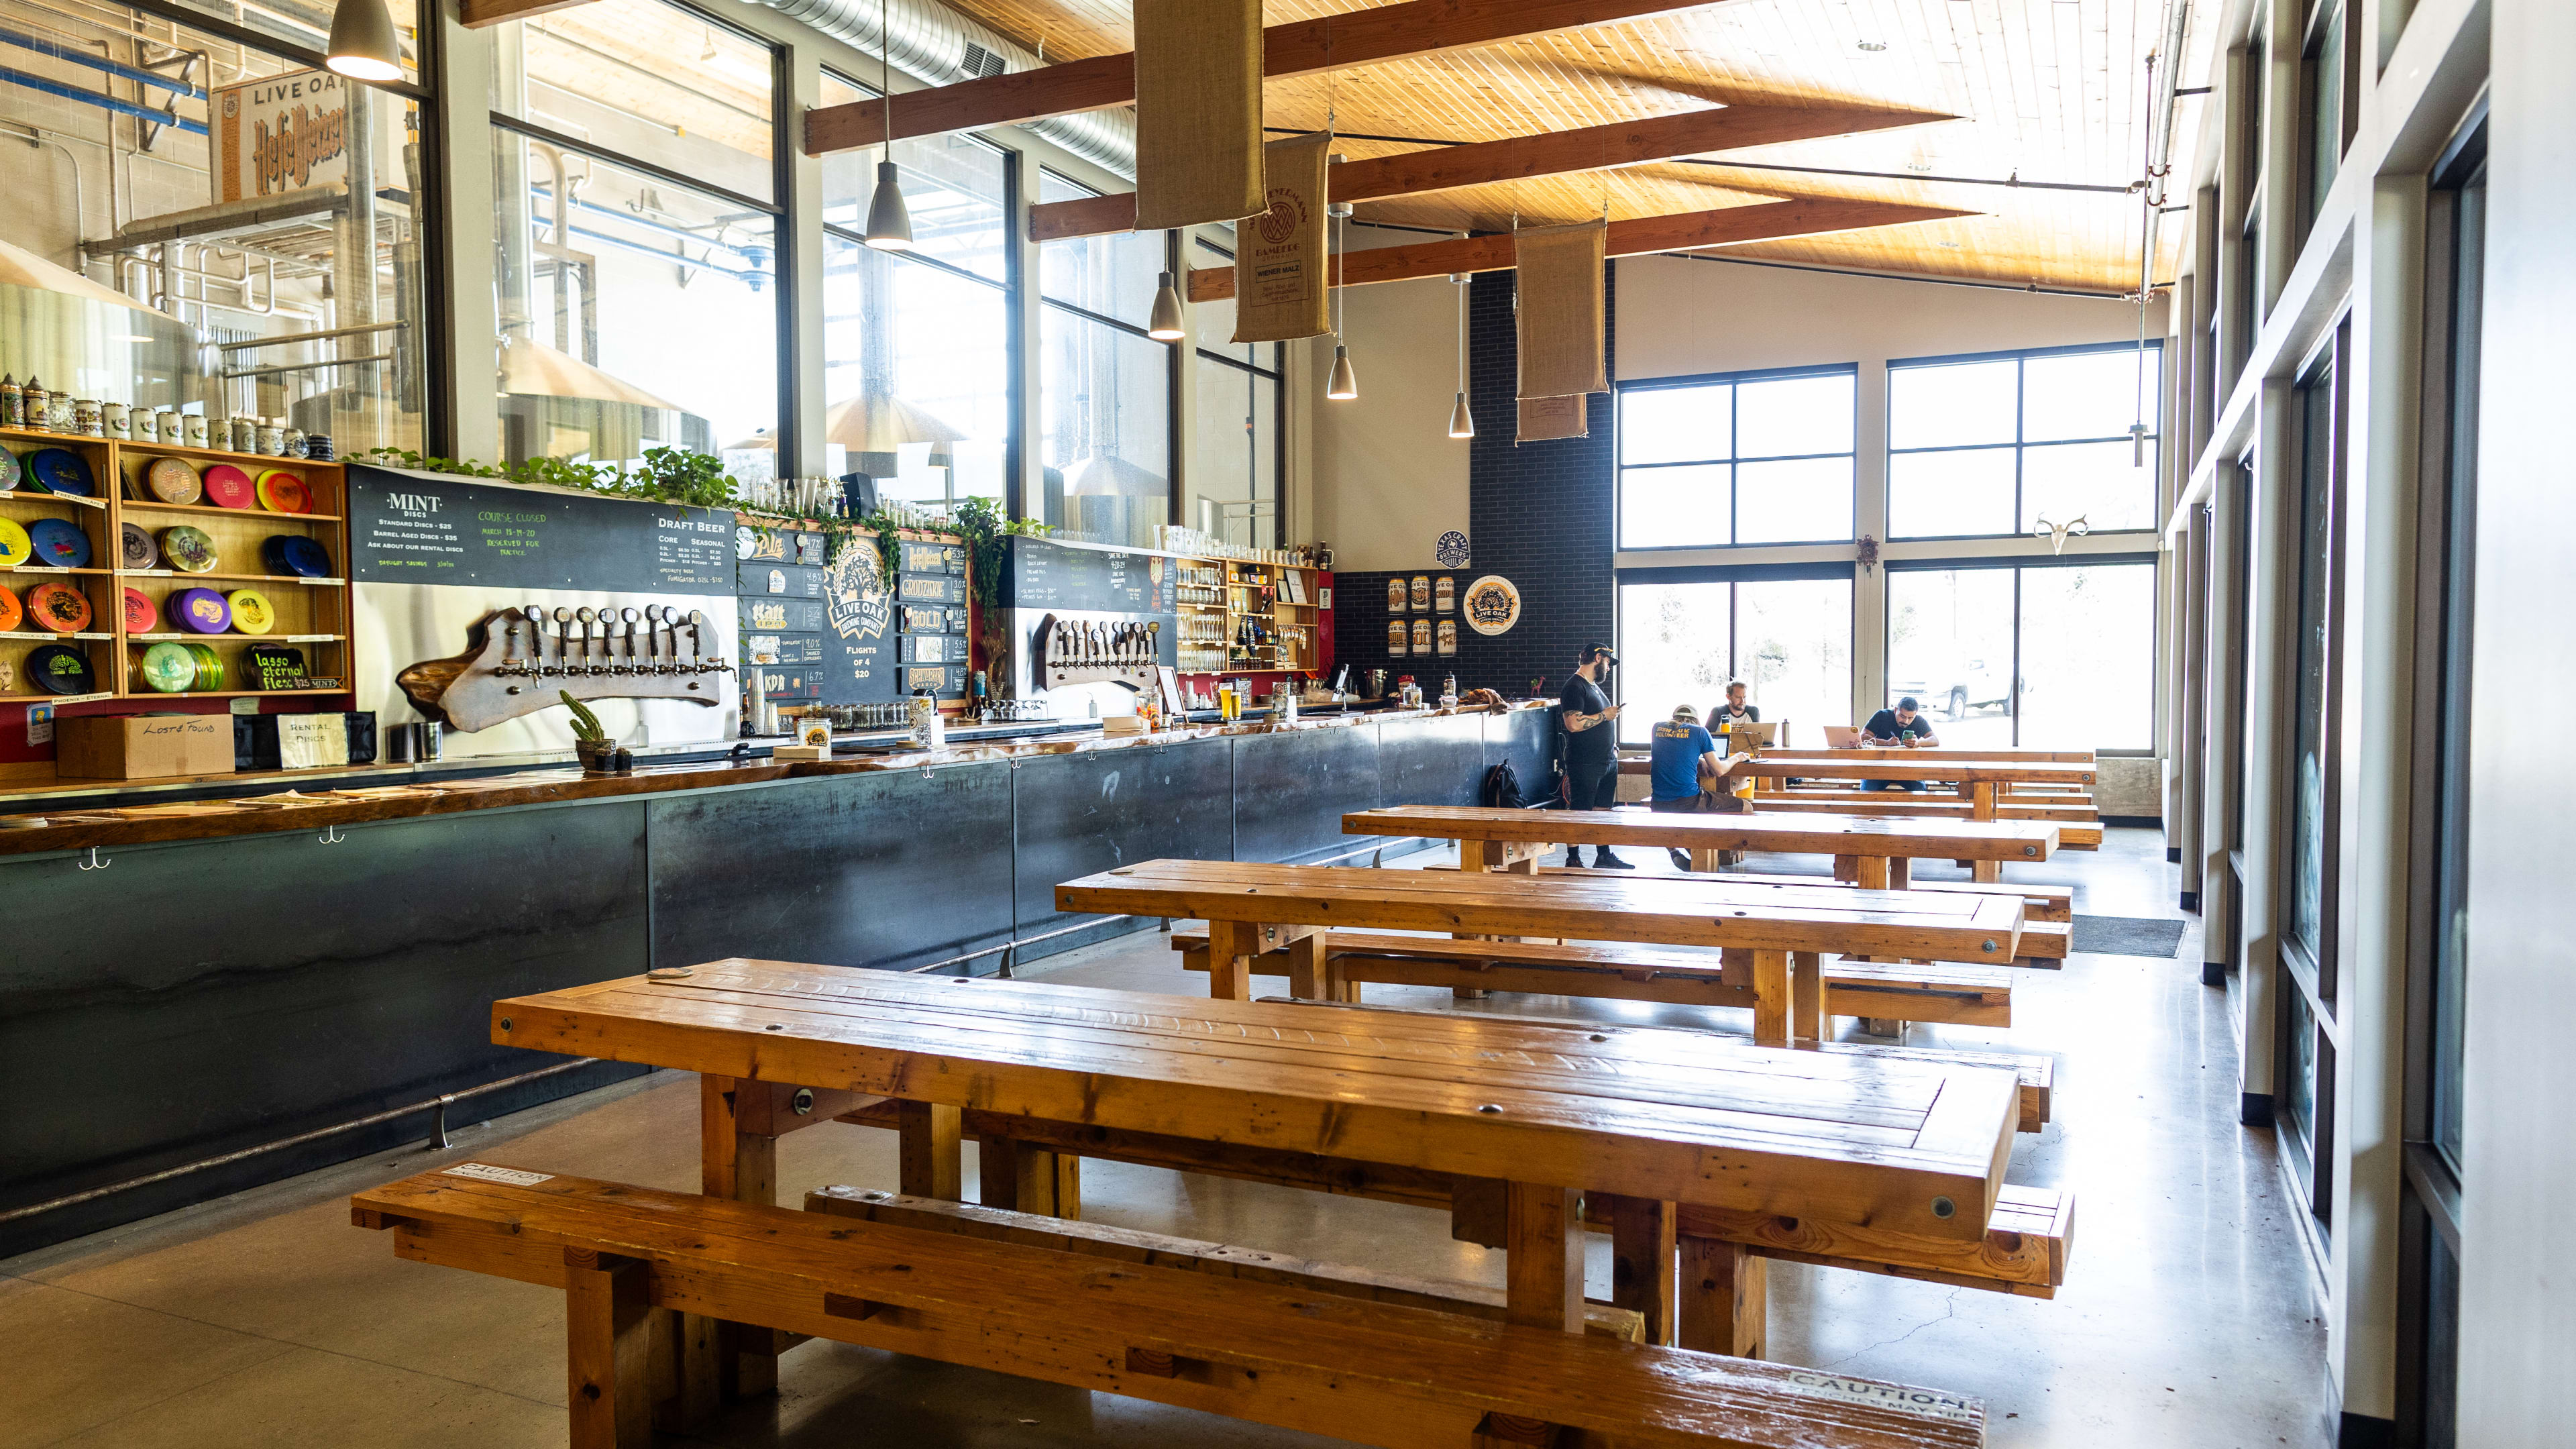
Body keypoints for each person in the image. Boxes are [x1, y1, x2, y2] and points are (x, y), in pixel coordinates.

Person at [1557, 643, 1631, 869]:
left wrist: (1613, 746)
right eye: (1608, 663)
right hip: (1585, 762)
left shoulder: (1593, 687)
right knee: (1580, 810)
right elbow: (1573, 724)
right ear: (1598, 658)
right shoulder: (1574, 687)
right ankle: (1574, 858)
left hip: (1606, 760)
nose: (1609, 669)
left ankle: (1604, 855)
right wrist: (1605, 715)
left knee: (1603, 810)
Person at [1649, 704, 1747, 870]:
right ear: (1696, 720)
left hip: (1658, 803)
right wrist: (1737, 757)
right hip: (1689, 801)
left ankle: (1674, 851)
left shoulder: (1657, 728)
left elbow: (1675, 750)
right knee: (1747, 806)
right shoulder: (1700, 732)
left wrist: (1699, 760)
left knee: (1680, 813)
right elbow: (1719, 770)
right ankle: (1726, 850)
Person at [1857, 696, 1940, 791]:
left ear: (1915, 715)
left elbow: (1935, 740)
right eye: (1902, 716)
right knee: (1868, 791)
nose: (1906, 721)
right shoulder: (1882, 716)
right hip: (1879, 767)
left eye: (1910, 718)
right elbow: (1863, 737)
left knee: (1920, 790)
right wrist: (1886, 743)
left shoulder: (1919, 721)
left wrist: (1918, 743)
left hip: (1907, 769)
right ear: (1896, 710)